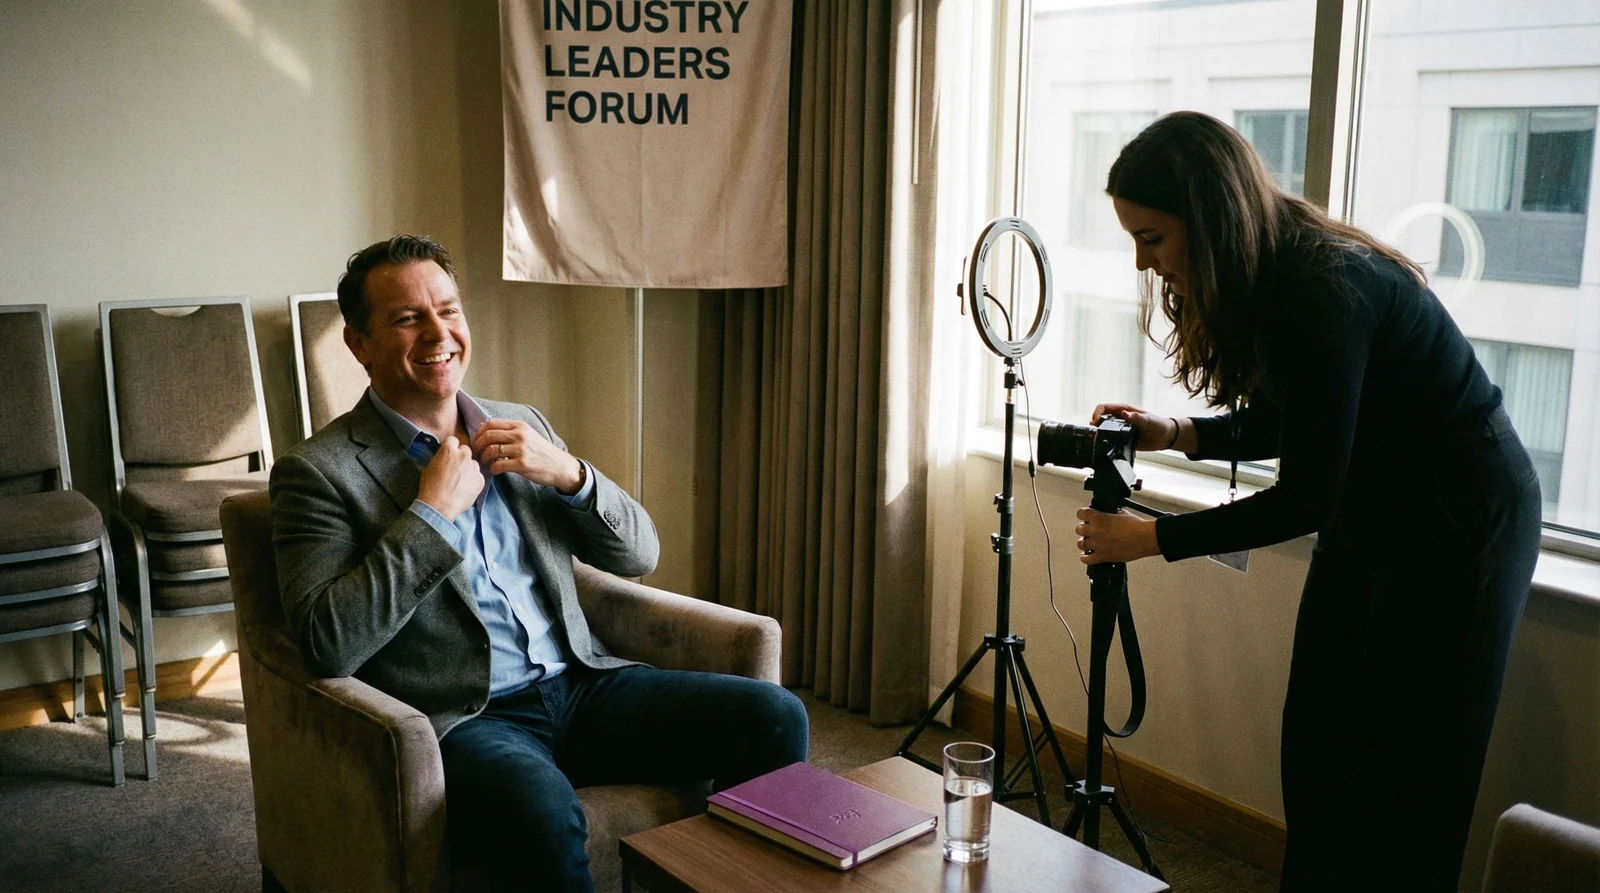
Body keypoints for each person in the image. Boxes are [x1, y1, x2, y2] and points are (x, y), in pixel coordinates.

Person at [1074, 112, 1541, 891]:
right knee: (1319, 745)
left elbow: (1305, 497)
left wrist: (1149, 539)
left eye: (1152, 239)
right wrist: (1178, 432)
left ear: (1210, 221)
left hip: (1464, 521)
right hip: (1372, 508)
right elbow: (1298, 419)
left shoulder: (1324, 287)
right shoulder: (1270, 279)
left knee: (1408, 775)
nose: (1142, 263)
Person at [269, 235, 809, 892]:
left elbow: (639, 553)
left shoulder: (520, 423)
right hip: (470, 716)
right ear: (359, 343)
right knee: (542, 812)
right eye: (408, 318)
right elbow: (326, 642)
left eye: (448, 309)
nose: (438, 333)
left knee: (774, 715)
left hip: (582, 686)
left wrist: (572, 475)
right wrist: (431, 515)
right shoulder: (318, 473)